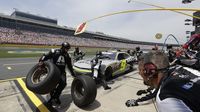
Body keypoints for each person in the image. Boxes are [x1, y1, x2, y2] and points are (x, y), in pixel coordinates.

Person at [128, 50, 200, 111]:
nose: (139, 73)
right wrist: (144, 93)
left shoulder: (165, 99)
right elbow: (157, 89)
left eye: (141, 70)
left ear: (150, 72)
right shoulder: (179, 69)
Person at [39, 42, 76, 106]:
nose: (67, 50)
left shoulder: (68, 56)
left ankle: (55, 97)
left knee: (63, 83)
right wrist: (41, 61)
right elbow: (45, 56)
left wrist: (73, 74)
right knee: (52, 85)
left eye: (68, 49)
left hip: (62, 72)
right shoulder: (54, 51)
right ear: (62, 47)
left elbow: (69, 66)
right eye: (66, 48)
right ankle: (52, 98)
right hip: (53, 71)